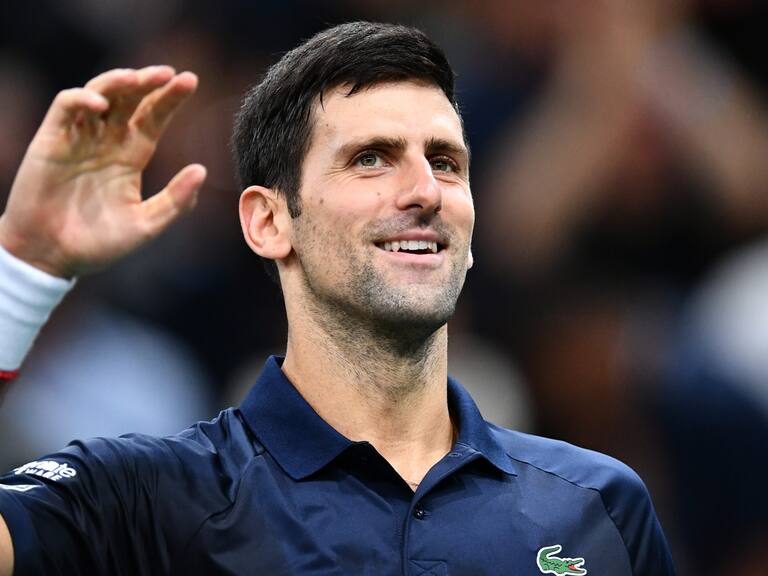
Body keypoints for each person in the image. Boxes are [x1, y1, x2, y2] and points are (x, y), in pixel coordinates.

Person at [0, 22, 675, 575]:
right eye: (371, 158)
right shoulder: (149, 497)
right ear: (269, 222)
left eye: (445, 162)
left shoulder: (600, 504)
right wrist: (23, 268)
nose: (425, 191)